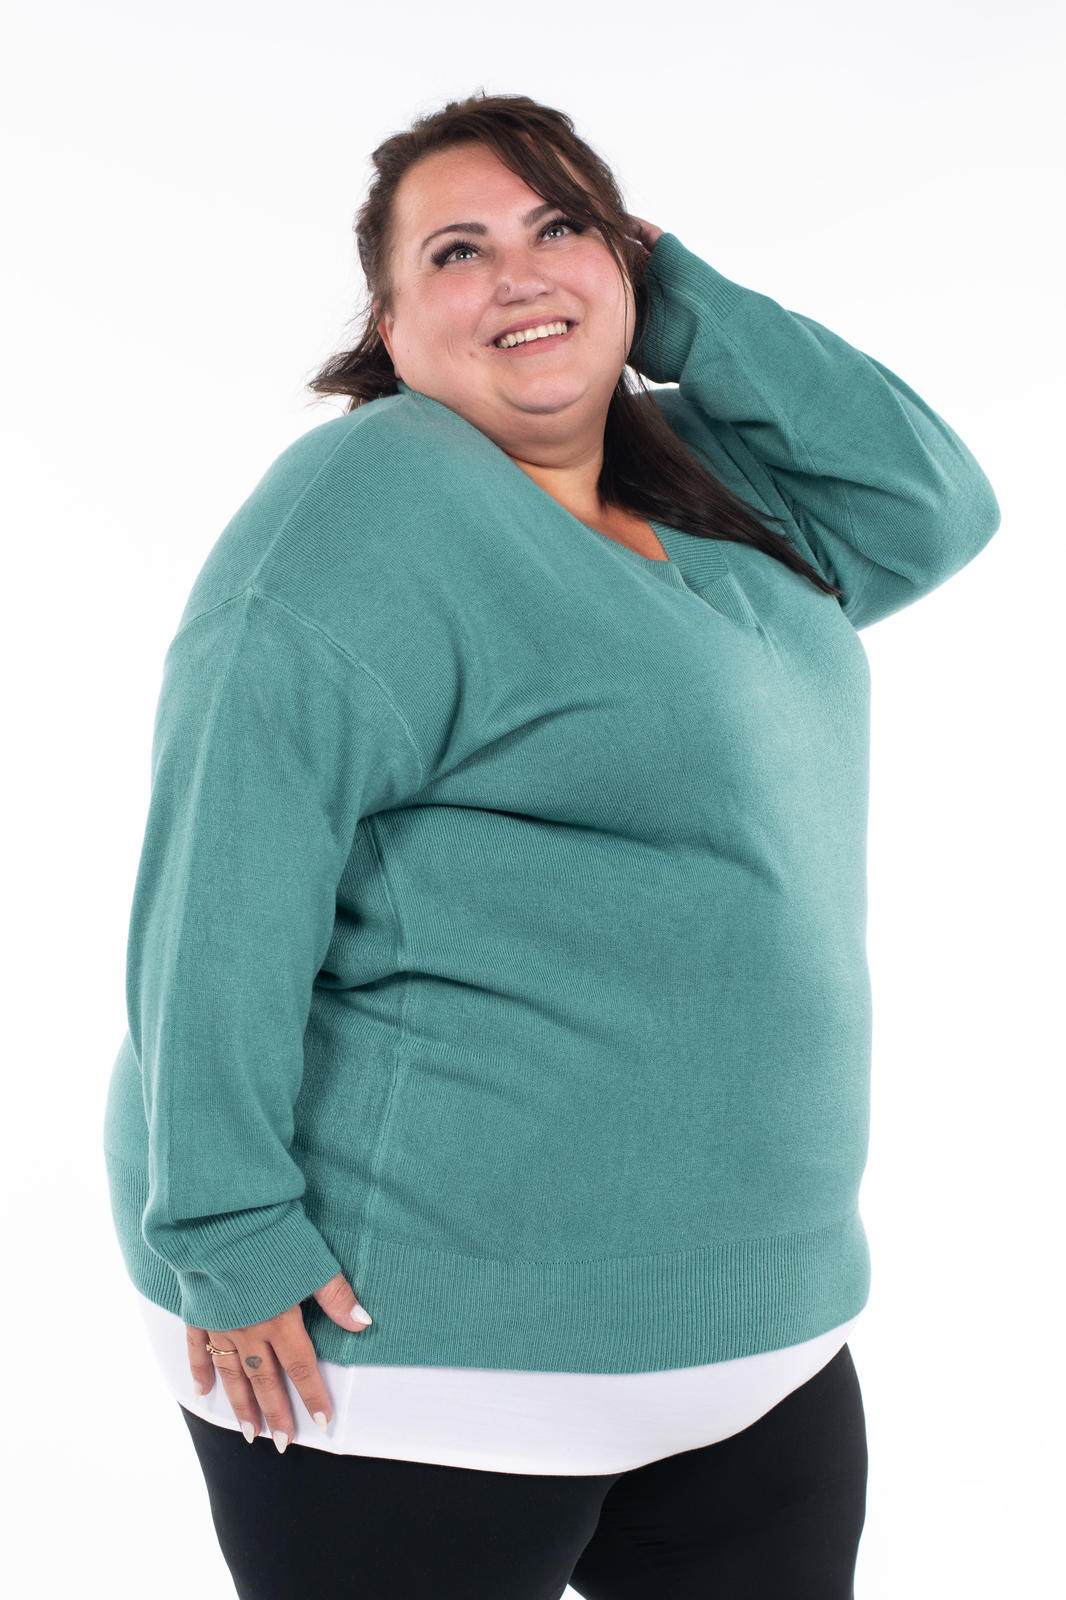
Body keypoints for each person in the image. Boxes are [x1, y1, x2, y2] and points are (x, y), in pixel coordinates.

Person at [102, 89, 1000, 1599]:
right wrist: (225, 1229)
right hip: (424, 1356)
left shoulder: (703, 487)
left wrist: (677, 298)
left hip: (755, 1351)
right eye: (456, 252)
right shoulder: (368, 509)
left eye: (559, 227)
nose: (517, 274)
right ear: (389, 329)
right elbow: (221, 879)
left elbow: (930, 507)